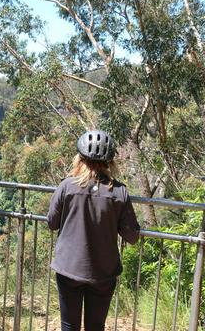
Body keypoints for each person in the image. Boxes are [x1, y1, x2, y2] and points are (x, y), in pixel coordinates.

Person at [47, 130, 140, 331]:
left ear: (79, 159)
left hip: (69, 268)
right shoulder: (119, 192)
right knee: (96, 326)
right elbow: (132, 236)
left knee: (69, 325)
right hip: (103, 273)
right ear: (110, 162)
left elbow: (52, 222)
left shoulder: (66, 186)